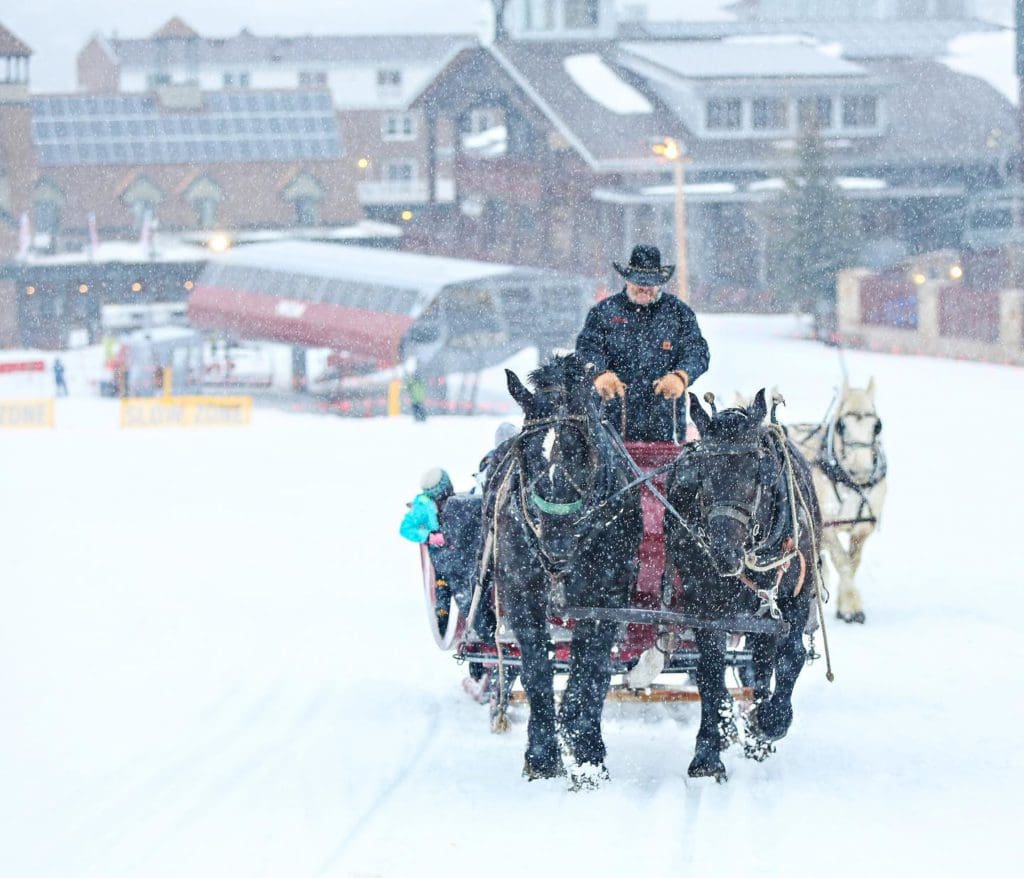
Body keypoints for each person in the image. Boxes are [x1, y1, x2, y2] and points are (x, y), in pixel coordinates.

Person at [576, 244, 710, 441]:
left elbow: (698, 352)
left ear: (660, 283)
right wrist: (598, 373)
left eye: (650, 282)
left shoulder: (679, 313)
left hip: (666, 427)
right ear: (627, 279)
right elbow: (586, 349)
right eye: (638, 281)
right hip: (610, 426)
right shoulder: (603, 312)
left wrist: (682, 376)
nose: (644, 288)